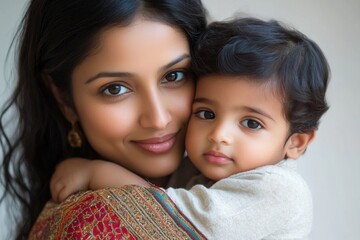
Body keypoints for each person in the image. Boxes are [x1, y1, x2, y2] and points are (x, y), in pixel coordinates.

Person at [51, 17, 330, 239]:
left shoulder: (278, 189)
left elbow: (171, 222)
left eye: (251, 123)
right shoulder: (195, 169)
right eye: (206, 113)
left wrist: (96, 173)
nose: (219, 134)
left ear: (296, 143)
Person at [0, 0, 208, 239]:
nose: (158, 119)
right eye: (115, 89)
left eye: (174, 75)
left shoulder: (241, 179)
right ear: (63, 100)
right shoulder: (88, 224)